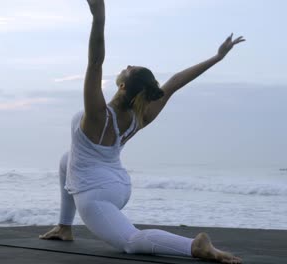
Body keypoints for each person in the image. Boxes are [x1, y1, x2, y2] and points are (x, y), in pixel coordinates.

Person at [40, 1, 245, 263]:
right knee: (66, 160)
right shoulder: (141, 116)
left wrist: (99, 18)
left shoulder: (97, 116)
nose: (126, 64)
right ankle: (64, 227)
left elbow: (95, 62)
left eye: (129, 68)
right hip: (120, 186)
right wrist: (217, 58)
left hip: (95, 197)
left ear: (123, 85)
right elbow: (175, 82)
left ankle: (195, 246)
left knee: (130, 242)